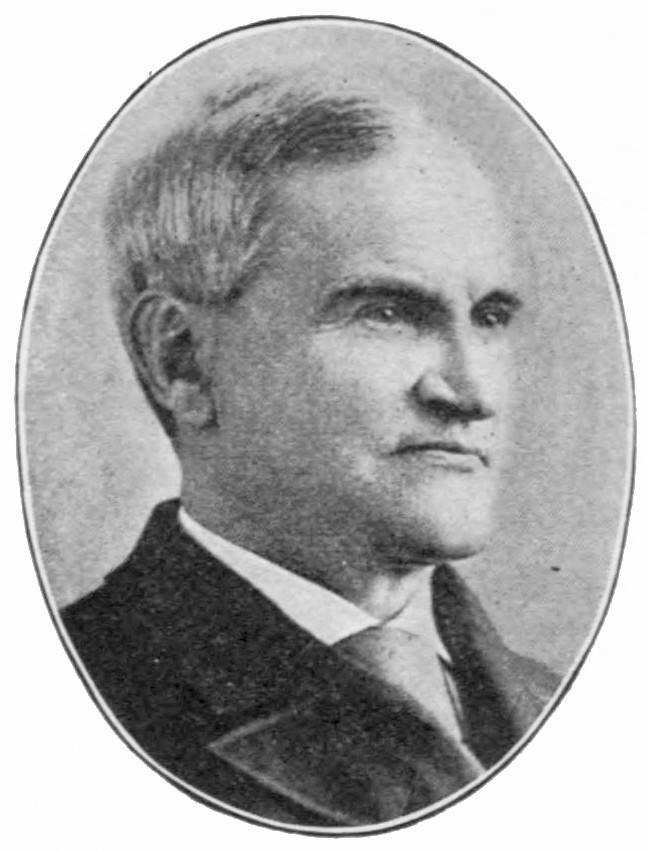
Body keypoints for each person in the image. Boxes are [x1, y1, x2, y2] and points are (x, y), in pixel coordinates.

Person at [62, 70, 560, 828]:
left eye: (490, 317)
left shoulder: (560, 704)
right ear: (183, 360)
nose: (473, 392)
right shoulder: (67, 694)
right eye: (387, 312)